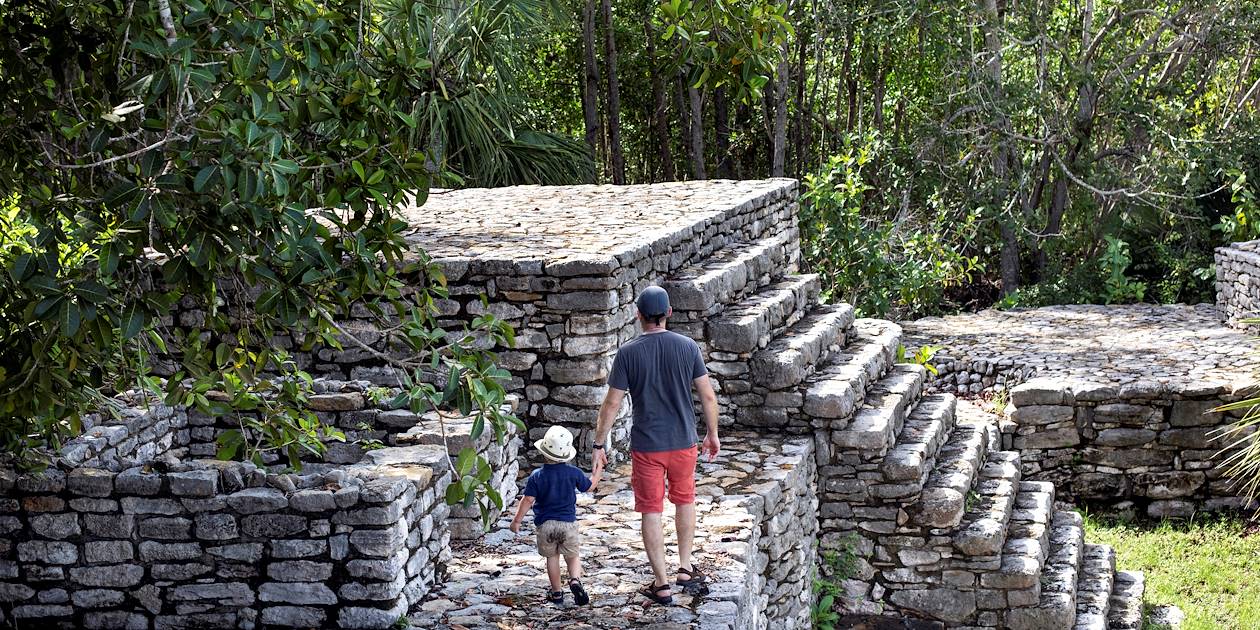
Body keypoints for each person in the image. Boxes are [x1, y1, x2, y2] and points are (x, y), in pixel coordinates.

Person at [592, 285, 721, 606]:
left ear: (638, 315)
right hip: (683, 442)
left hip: (647, 447)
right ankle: (685, 568)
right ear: (669, 313)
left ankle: (661, 584)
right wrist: (712, 433)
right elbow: (707, 396)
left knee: (651, 509)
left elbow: (612, 403)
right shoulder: (688, 347)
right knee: (685, 500)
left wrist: (598, 444)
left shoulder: (628, 353)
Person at [510, 425, 604, 606]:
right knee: (572, 556)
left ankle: (557, 593)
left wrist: (516, 521)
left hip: (545, 525)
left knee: (552, 558)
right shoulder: (573, 473)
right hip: (567, 524)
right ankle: (575, 580)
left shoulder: (537, 476)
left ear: (544, 453)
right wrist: (598, 469)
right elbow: (590, 486)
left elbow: (528, 499)